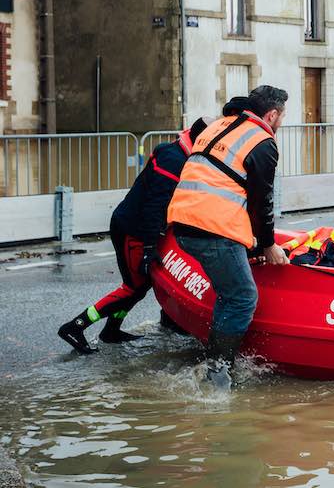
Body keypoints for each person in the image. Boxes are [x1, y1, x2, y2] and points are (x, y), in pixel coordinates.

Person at [166, 85, 289, 387]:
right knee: (244, 297)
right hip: (212, 228)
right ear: (272, 115)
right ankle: (218, 373)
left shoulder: (221, 125)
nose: (282, 122)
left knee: (229, 292)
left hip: (181, 222)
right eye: (282, 116)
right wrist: (270, 245)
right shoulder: (262, 141)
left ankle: (213, 361)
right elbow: (262, 201)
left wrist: (253, 244)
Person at [57, 118, 209, 354]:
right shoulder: (174, 160)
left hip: (134, 225)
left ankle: (111, 330)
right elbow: (154, 206)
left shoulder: (179, 151)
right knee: (132, 287)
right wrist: (149, 247)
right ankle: (75, 326)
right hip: (133, 230)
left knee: (140, 285)